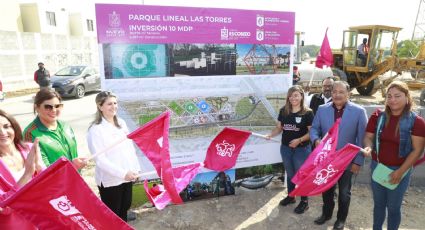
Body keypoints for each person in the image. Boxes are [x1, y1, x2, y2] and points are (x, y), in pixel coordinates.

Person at [363, 81, 425, 230]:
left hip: (400, 171)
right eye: (389, 96)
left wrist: (400, 172)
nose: (392, 100)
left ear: (407, 97)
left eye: (397, 96)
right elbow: (368, 137)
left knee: (393, 208)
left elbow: (417, 150)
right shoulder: (378, 116)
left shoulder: (417, 122)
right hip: (378, 168)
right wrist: (368, 148)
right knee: (378, 205)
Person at [310, 81, 368, 230]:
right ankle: (326, 214)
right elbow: (314, 129)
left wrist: (358, 161)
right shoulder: (322, 110)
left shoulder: (359, 111)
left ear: (348, 94)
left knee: (344, 193)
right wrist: (316, 140)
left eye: (341, 92)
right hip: (326, 160)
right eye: (334, 91)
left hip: (347, 161)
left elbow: (362, 138)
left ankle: (341, 219)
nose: (337, 95)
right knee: (327, 190)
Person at [87, 91, 140, 222]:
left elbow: (130, 149)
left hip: (127, 176)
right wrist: (123, 173)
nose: (114, 106)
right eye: (109, 104)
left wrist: (135, 169)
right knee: (112, 215)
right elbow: (100, 160)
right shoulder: (95, 129)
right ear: (100, 106)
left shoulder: (121, 123)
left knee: (124, 208)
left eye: (115, 103)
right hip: (111, 180)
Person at [267, 85, 314, 214]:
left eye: (296, 95)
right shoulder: (284, 111)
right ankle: (291, 196)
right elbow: (279, 128)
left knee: (302, 175)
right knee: (291, 173)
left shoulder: (308, 113)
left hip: (302, 150)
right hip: (286, 149)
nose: (293, 98)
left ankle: (304, 202)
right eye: (291, 95)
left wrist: (299, 140)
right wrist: (271, 134)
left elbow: (312, 133)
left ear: (301, 96)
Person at [23, 89, 86, 169]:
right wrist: (71, 168)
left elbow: (73, 154)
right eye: (48, 107)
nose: (54, 110)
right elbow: (40, 169)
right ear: (37, 107)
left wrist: (78, 162)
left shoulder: (65, 126)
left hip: (75, 177)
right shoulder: (31, 133)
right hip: (56, 181)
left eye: (57, 106)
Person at [0, 109, 44, 202]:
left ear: (14, 127)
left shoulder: (29, 148)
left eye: (6, 126)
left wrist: (40, 168)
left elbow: (48, 182)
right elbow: (2, 202)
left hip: (42, 208)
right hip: (19, 215)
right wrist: (27, 174)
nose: (3, 133)